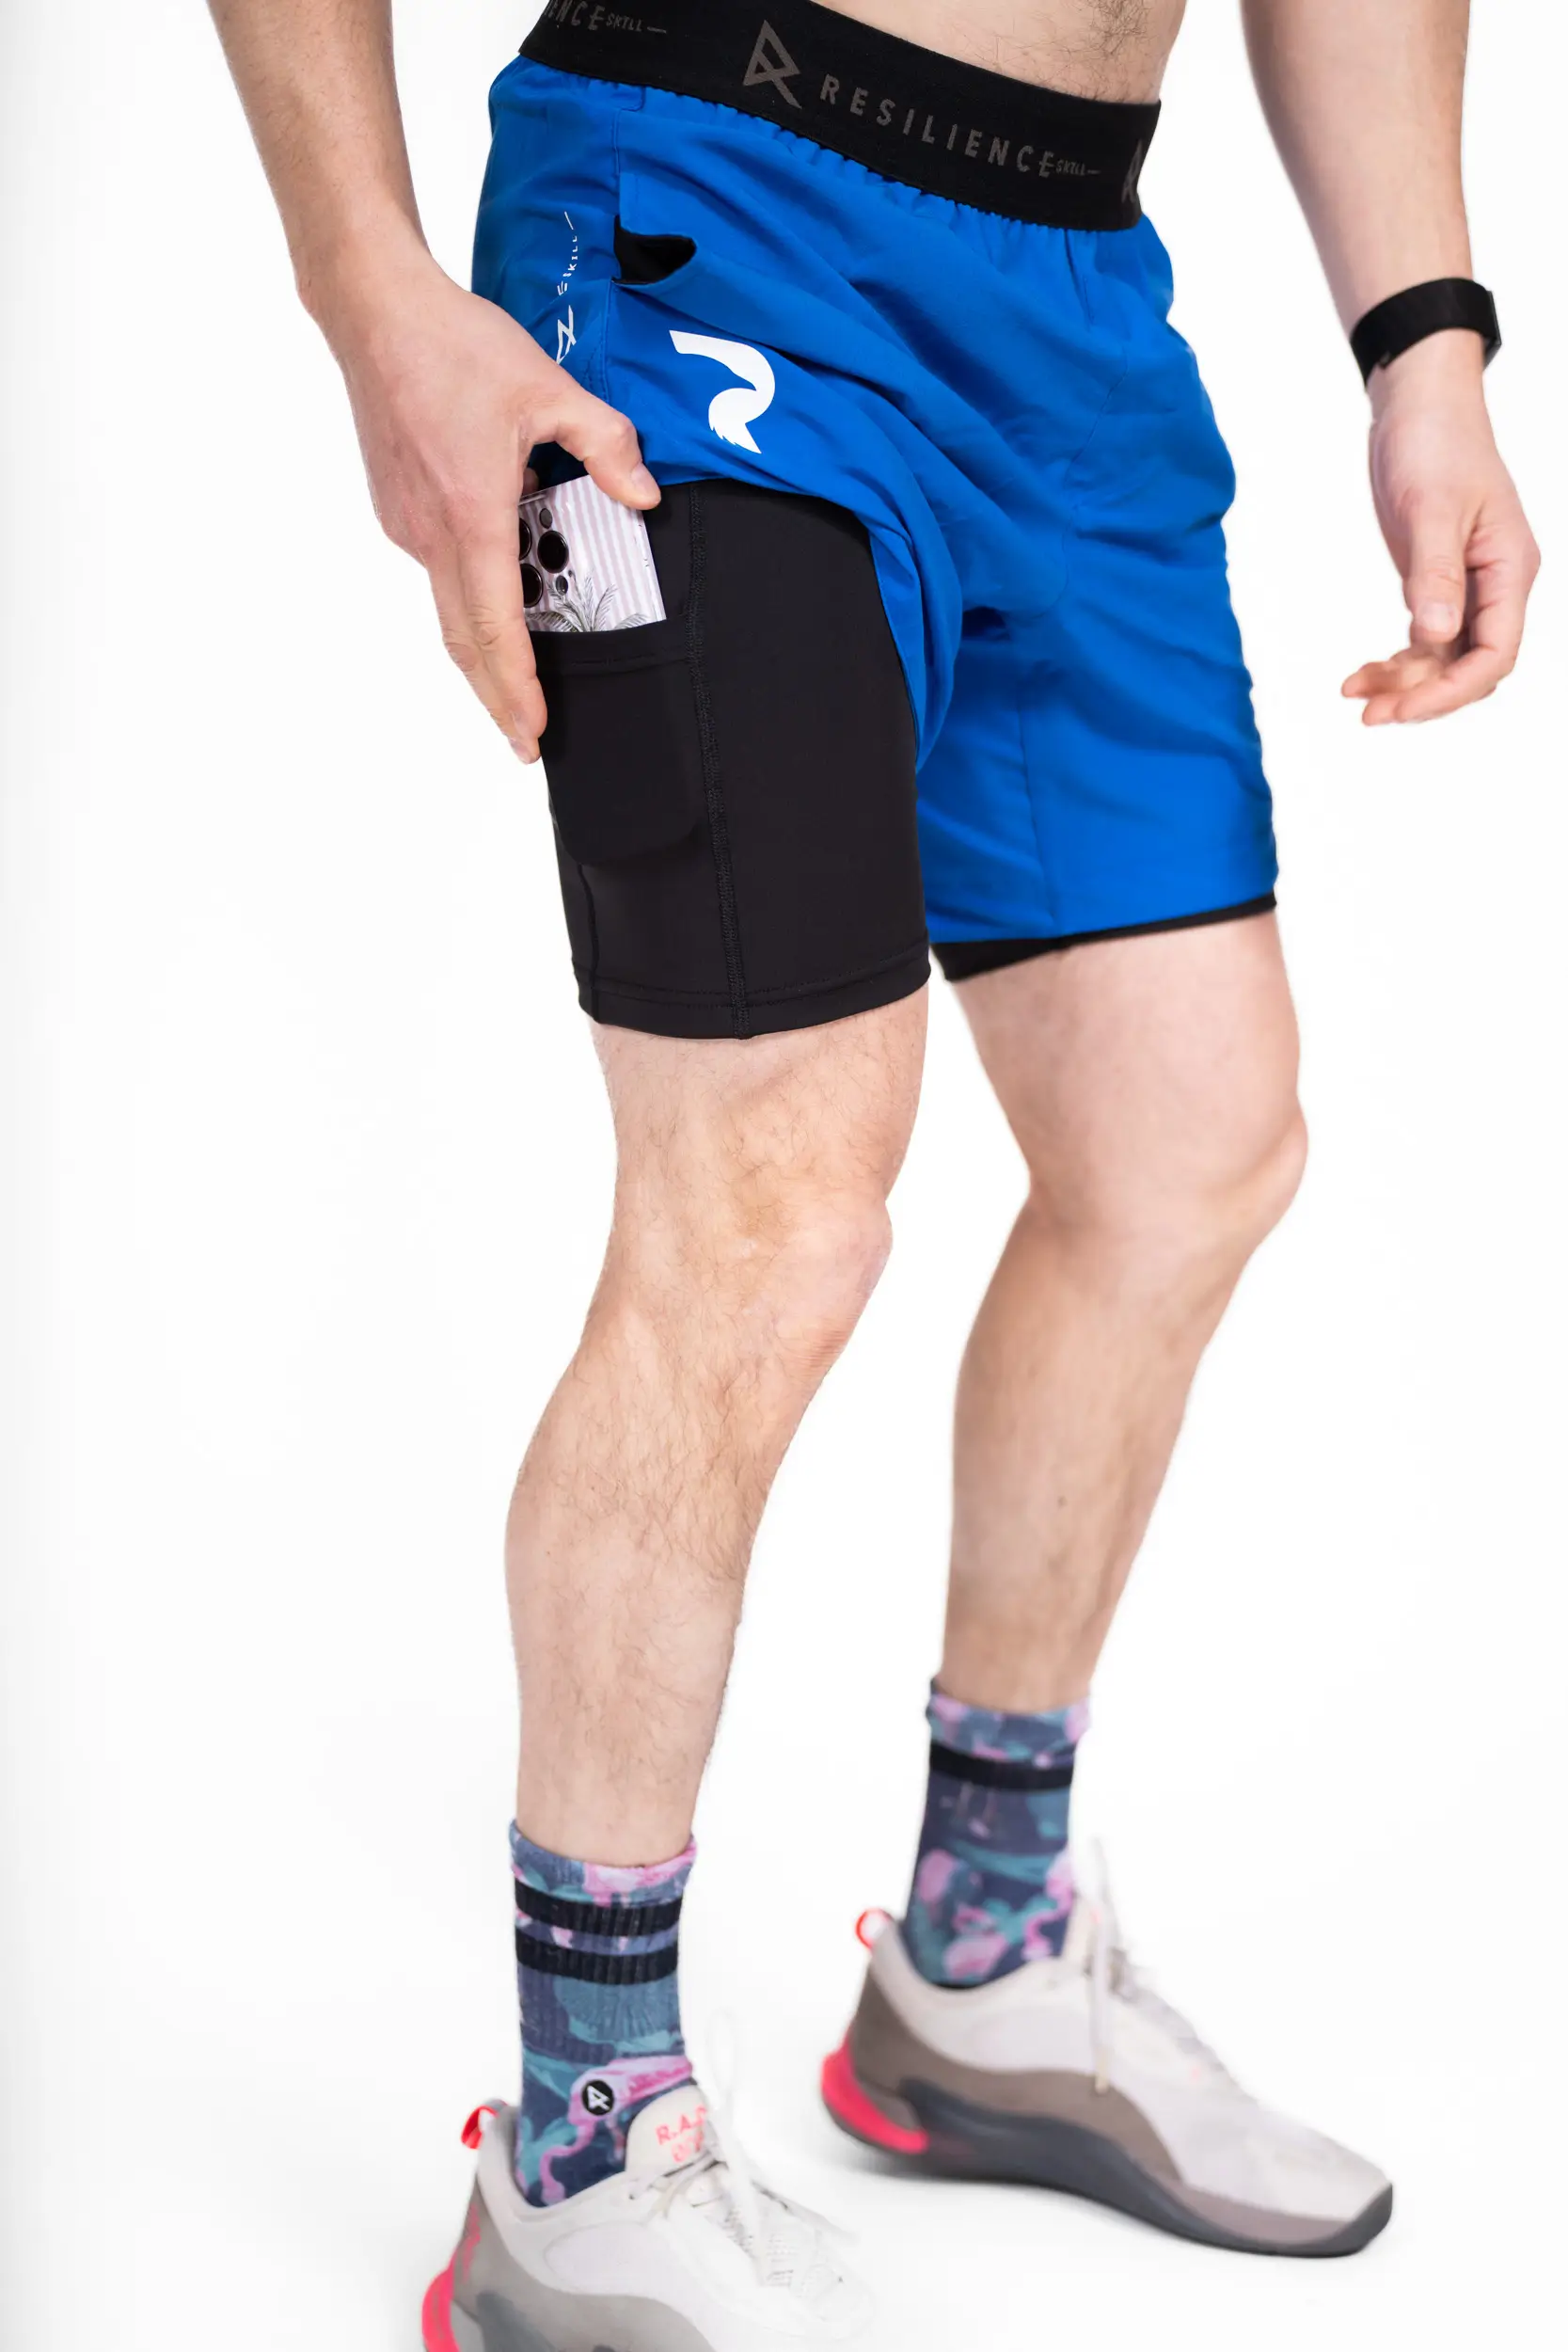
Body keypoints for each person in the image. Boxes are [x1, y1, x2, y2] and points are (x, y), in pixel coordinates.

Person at [207, 1, 1539, 2343]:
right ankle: (584, 2142)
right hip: (713, 217)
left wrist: (1420, 334)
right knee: (768, 1214)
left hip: (1068, 299)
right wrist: (363, 279)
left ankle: (983, 1956)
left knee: (1187, 1142)